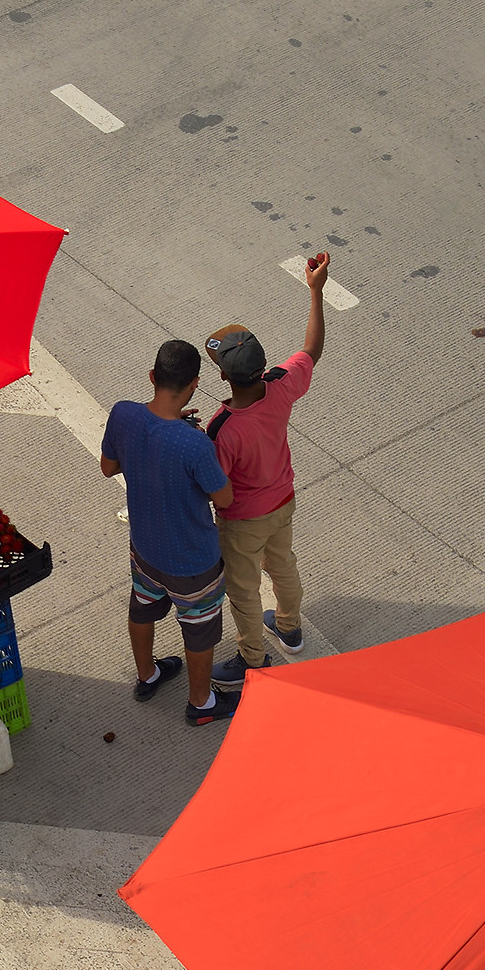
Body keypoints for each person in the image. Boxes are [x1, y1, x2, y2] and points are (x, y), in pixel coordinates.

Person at [202, 251, 329, 687]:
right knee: (284, 565)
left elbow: (214, 486)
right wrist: (315, 291)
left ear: (222, 377)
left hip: (243, 520)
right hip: (285, 500)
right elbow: (312, 349)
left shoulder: (222, 428)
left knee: (244, 589)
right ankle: (290, 627)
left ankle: (252, 659)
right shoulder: (280, 386)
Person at [100, 339, 241, 725]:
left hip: (145, 549)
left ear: (152, 376)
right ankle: (201, 704)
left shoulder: (123, 415)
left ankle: (147, 676)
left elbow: (108, 467)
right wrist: (192, 440)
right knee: (199, 629)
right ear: (194, 384)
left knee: (143, 607)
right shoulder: (194, 444)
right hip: (192, 561)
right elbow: (224, 498)